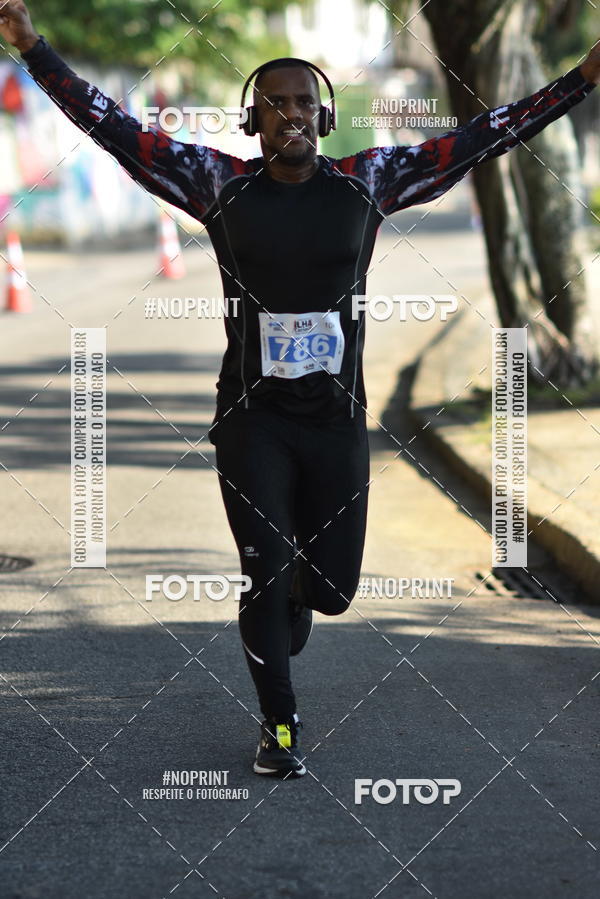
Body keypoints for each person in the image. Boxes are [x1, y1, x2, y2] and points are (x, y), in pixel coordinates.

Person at [2, 0, 598, 778]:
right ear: (254, 121)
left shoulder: (368, 181)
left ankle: (293, 599)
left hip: (335, 424)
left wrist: (580, 80)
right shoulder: (216, 184)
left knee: (332, 589)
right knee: (265, 567)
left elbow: (485, 137)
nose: (292, 115)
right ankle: (278, 726)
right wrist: (34, 49)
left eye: (304, 103)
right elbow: (112, 126)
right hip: (253, 421)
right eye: (275, 105)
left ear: (322, 114)